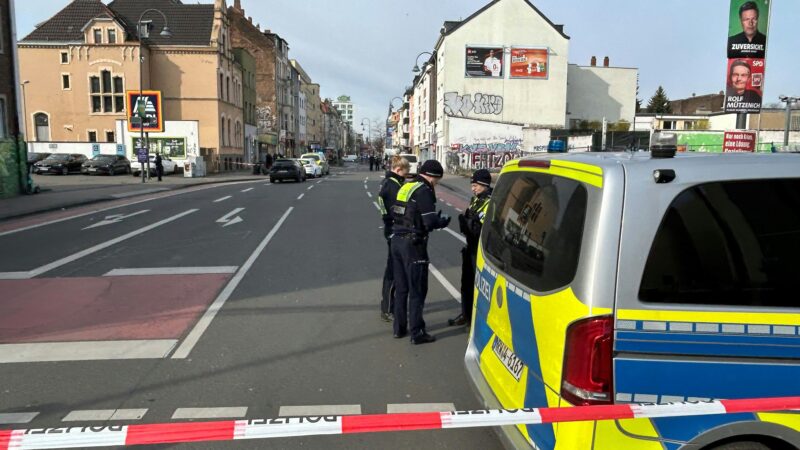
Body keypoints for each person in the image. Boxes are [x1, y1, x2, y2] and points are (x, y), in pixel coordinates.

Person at [390, 160, 451, 344]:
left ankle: (399, 329)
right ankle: (417, 332)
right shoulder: (424, 191)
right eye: (437, 180)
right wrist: (442, 221)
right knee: (417, 290)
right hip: (413, 246)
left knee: (401, 289)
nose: (436, 184)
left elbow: (400, 211)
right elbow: (430, 222)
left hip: (397, 241)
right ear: (432, 176)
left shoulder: (407, 186)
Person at [449, 169, 493, 327]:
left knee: (479, 287)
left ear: (485, 185)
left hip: (480, 251)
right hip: (470, 247)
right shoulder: (476, 200)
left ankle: (476, 321)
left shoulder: (490, 202)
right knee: (466, 283)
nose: (472, 188)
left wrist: (469, 222)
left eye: (476, 185)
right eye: (472, 185)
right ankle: (466, 314)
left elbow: (483, 228)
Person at [377, 156, 411, 322]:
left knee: (393, 269)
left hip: (390, 228)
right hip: (394, 229)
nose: (406, 176)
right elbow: (396, 209)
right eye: (405, 173)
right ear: (399, 170)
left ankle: (390, 306)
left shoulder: (388, 182)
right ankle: (388, 308)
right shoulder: (392, 185)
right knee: (393, 270)